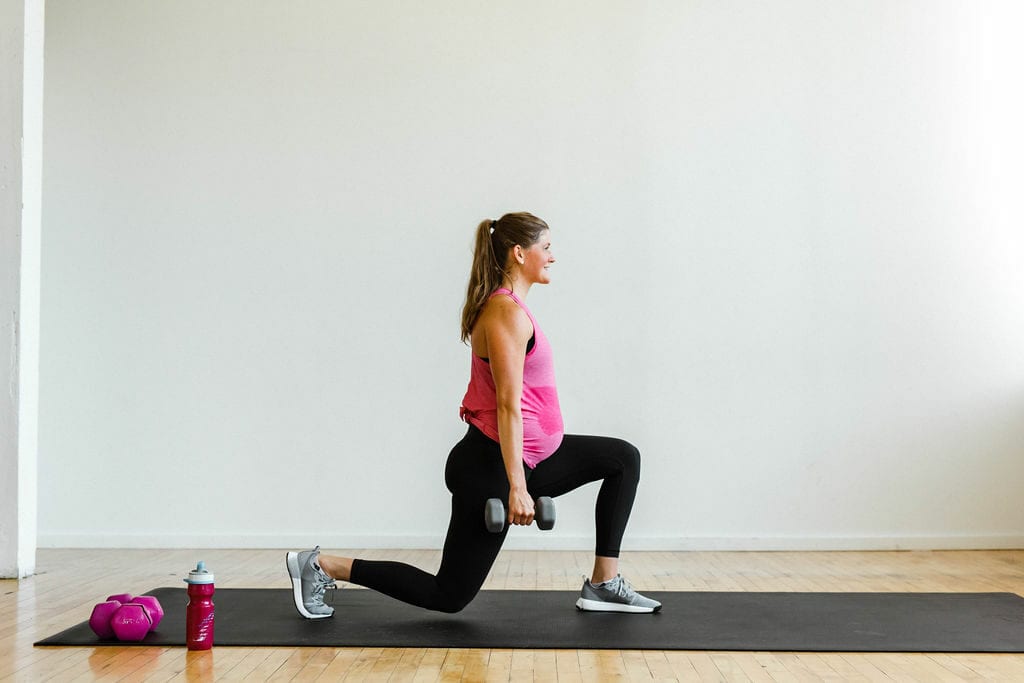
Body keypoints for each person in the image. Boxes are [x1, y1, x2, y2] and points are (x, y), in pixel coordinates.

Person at [286, 211, 661, 618]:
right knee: (448, 594)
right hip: (490, 466)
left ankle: (604, 583)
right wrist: (517, 487)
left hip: (532, 459)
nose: (553, 257)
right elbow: (507, 405)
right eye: (546, 247)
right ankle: (321, 565)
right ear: (519, 253)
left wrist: (523, 477)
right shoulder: (505, 314)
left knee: (623, 458)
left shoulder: (515, 309)